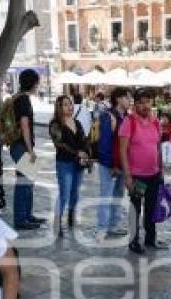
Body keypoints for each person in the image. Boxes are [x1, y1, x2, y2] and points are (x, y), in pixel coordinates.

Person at [118, 89, 165, 255]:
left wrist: (161, 171)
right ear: (135, 104)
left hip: (153, 174)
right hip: (137, 176)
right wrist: (127, 176)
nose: (145, 106)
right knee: (136, 209)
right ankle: (133, 241)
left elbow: (158, 148)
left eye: (148, 102)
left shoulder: (155, 122)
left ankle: (150, 239)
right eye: (141, 102)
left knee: (152, 209)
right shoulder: (128, 122)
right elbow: (122, 150)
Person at [49, 95, 91, 236]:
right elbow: (59, 144)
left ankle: (71, 217)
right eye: (66, 104)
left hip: (78, 164)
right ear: (59, 107)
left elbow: (84, 139)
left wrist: (85, 151)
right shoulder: (55, 124)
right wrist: (77, 153)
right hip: (64, 163)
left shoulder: (77, 122)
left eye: (70, 104)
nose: (70, 107)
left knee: (75, 193)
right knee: (64, 194)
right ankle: (58, 221)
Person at [9, 69, 46, 230]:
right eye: (37, 82)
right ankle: (20, 218)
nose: (38, 85)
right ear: (33, 82)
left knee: (28, 181)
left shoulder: (19, 97)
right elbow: (24, 125)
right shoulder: (23, 100)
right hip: (22, 146)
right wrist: (30, 150)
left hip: (19, 145)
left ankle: (27, 215)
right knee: (24, 182)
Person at [94, 87, 131, 241]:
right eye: (127, 98)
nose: (130, 101)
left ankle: (113, 225)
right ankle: (102, 228)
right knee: (106, 195)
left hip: (122, 164)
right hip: (109, 165)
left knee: (118, 195)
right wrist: (112, 165)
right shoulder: (108, 116)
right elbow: (105, 144)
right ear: (118, 99)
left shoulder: (127, 117)